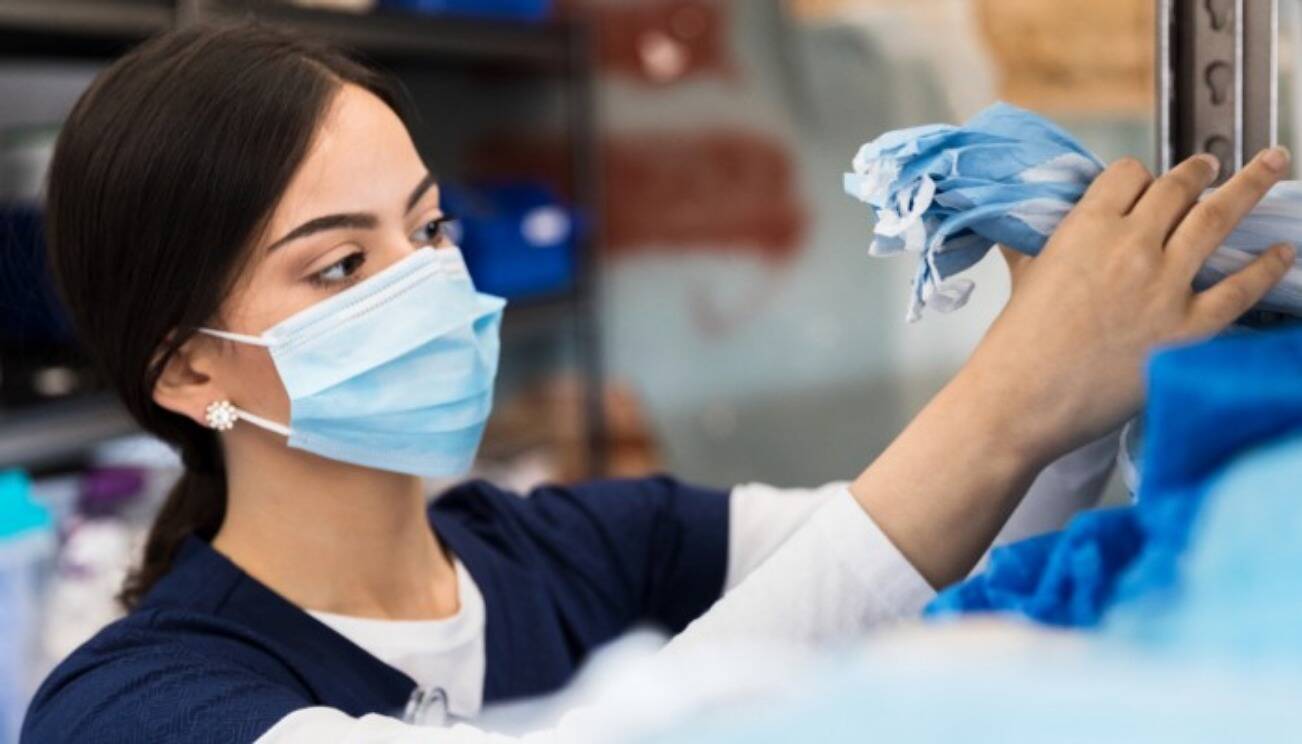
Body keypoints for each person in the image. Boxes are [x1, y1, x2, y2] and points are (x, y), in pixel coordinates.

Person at [20, 23, 1295, 744]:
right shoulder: (132, 707)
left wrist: (1073, 399)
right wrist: (1010, 396)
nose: (425, 285)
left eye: (430, 227)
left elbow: (915, 566)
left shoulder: (556, 547)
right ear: (189, 369)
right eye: (341, 263)